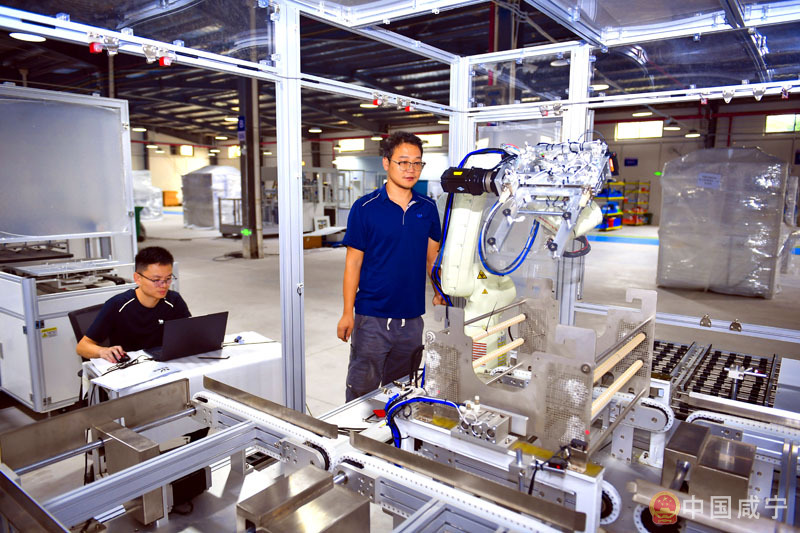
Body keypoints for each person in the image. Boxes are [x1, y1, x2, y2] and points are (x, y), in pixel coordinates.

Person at [337, 131, 444, 401]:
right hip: (372, 318)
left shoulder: (427, 208)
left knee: (402, 393)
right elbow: (353, 263)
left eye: (417, 163)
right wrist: (347, 313)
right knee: (362, 393)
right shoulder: (365, 207)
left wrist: (439, 291)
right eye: (403, 162)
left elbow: (432, 257)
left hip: (411, 320)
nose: (411, 169)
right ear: (386, 163)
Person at [77, 246, 191, 362]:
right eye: (156, 280)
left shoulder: (174, 301)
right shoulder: (117, 305)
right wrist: (102, 351)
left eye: (168, 278)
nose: (164, 285)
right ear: (138, 278)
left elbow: (189, 335)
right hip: (130, 366)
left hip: (164, 364)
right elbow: (82, 347)